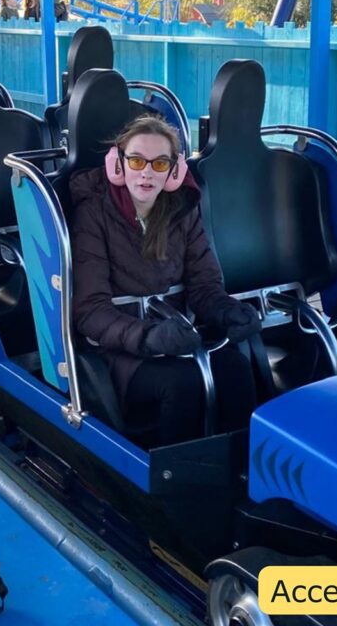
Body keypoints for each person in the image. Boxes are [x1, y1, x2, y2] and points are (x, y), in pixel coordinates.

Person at [70, 115, 261, 445]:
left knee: (235, 368)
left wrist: (226, 310)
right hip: (120, 350)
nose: (146, 172)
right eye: (136, 160)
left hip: (177, 337)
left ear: (174, 172)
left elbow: (203, 284)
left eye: (159, 163)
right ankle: (174, 482)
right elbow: (90, 311)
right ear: (119, 164)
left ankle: (240, 472)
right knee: (182, 385)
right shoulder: (94, 214)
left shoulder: (182, 212)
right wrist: (149, 337)